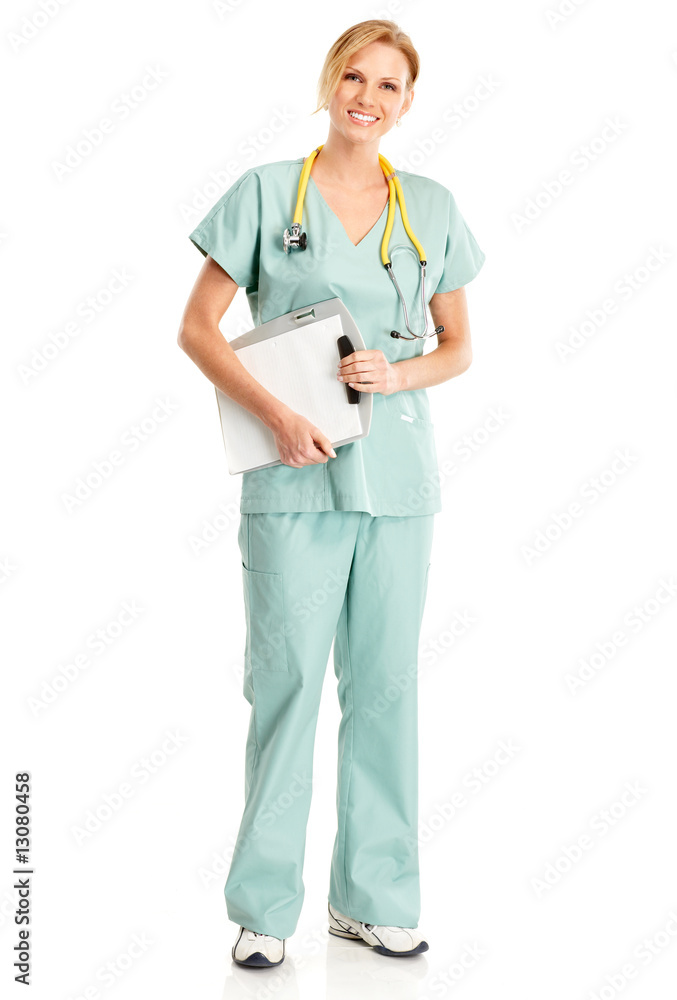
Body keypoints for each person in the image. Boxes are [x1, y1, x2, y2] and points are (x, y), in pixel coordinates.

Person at [178, 18, 485, 969]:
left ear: (406, 103)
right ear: (329, 81)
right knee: (287, 689)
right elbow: (198, 329)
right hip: (294, 479)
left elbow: (457, 348)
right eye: (355, 77)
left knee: (385, 692)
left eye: (389, 85)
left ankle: (373, 900)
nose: (368, 97)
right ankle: (263, 910)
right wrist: (275, 416)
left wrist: (399, 375)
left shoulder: (429, 207)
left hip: (397, 484)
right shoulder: (268, 193)